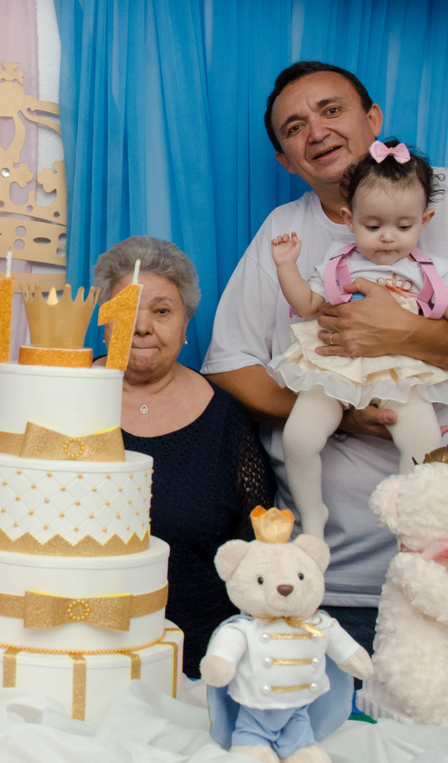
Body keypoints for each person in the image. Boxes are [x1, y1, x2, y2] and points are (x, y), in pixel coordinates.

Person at [203, 61, 448, 652]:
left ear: (373, 120)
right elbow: (229, 369)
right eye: (294, 127)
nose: (317, 131)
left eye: (332, 110)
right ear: (287, 160)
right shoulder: (287, 231)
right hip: (327, 587)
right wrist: (340, 408)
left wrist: (404, 335)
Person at [269, 140, 448, 538]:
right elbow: (307, 303)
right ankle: (313, 517)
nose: (387, 238)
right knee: (299, 436)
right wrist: (286, 269)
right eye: (373, 225)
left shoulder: (433, 272)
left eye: (403, 227)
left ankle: (407, 523)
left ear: (425, 220)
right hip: (336, 365)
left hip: (400, 371)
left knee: (424, 438)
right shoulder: (337, 263)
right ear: (349, 219)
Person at [94, 236, 275, 678]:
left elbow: (255, 551)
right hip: (75, 652)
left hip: (195, 664)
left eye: (161, 311)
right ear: (103, 320)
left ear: (185, 324)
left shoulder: (226, 420)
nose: (142, 327)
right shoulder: (58, 395)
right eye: (127, 309)